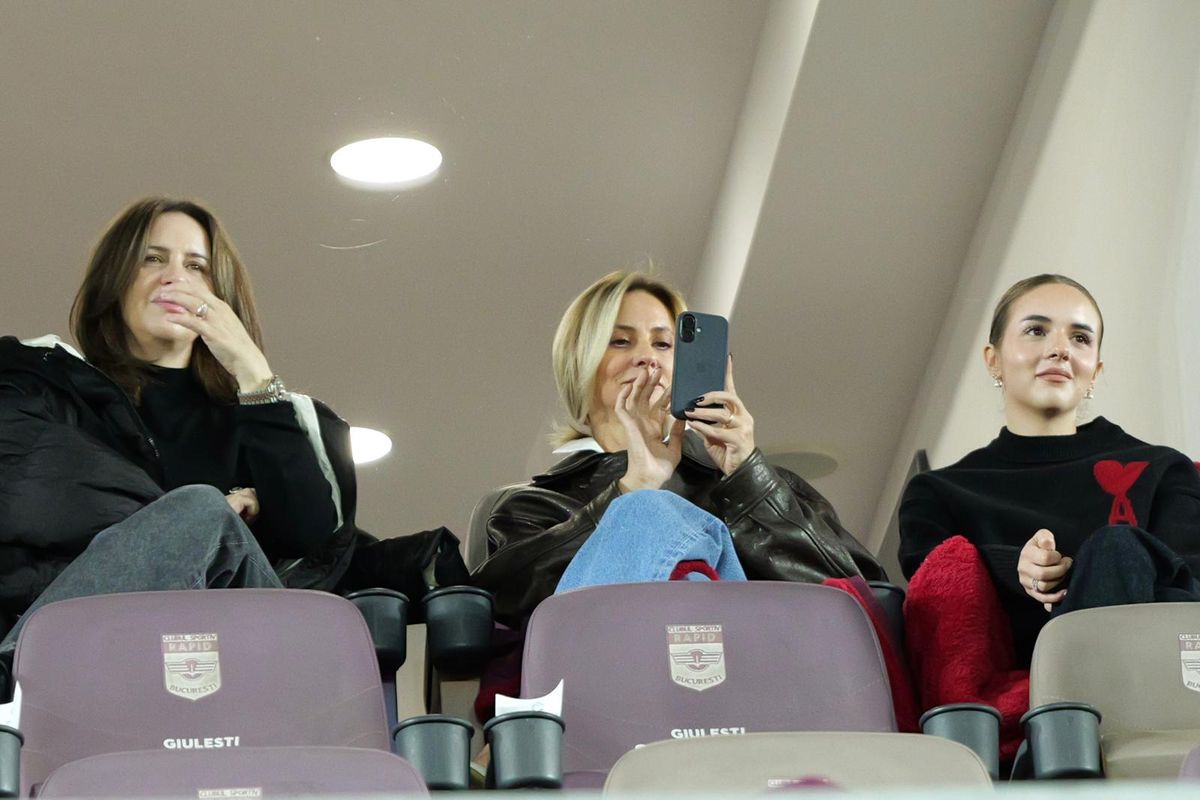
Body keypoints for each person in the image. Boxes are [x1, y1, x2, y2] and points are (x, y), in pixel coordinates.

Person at [0, 197, 461, 654]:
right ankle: (24, 673)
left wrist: (253, 372)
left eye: (196, 267)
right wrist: (206, 520)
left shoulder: (274, 419)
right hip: (89, 644)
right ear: (114, 279)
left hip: (242, 655)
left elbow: (316, 548)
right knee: (201, 511)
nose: (174, 277)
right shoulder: (41, 383)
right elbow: (32, 501)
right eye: (152, 259)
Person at [472, 269, 884, 628]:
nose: (646, 358)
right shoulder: (527, 507)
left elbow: (861, 606)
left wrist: (748, 479)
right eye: (621, 341)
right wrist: (634, 489)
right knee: (648, 509)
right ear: (580, 362)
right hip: (609, 675)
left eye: (664, 344)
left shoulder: (759, 487)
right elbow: (500, 613)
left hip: (755, 672)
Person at [899, 273, 1200, 668]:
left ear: (1095, 371)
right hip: (1039, 683)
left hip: (1159, 672)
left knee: (1117, 547)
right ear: (993, 360)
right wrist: (1011, 566)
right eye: (1037, 331)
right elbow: (934, 587)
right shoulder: (938, 493)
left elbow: (1189, 595)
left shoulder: (1162, 469)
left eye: (1080, 338)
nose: (1060, 350)